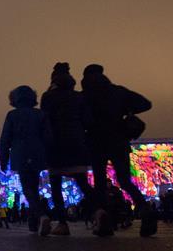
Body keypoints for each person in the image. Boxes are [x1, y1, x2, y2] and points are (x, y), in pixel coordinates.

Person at [81, 64, 156, 237]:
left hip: (95, 141)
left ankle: (103, 220)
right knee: (124, 180)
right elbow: (145, 104)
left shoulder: (85, 96)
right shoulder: (117, 91)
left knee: (99, 183)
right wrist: (126, 110)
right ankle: (145, 210)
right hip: (118, 139)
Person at [40, 62, 96, 236]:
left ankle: (63, 223)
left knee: (56, 186)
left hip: (55, 145)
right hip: (77, 143)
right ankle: (100, 211)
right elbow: (88, 121)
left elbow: (44, 120)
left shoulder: (48, 97)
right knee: (83, 183)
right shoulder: (79, 97)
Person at [0, 85, 50, 234]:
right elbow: (48, 137)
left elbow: (5, 139)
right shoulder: (41, 114)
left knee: (27, 188)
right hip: (38, 154)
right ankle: (34, 222)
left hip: (20, 154)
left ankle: (40, 216)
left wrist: (4, 160)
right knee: (34, 186)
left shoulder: (12, 115)